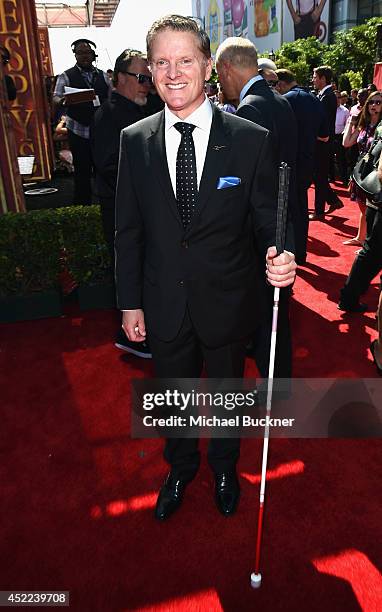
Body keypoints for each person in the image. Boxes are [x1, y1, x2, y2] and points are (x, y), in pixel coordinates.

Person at [115, 15, 296, 521]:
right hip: (162, 300)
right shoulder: (135, 140)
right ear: (150, 70)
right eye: (162, 62)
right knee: (171, 396)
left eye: (185, 60)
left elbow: (267, 222)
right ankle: (179, 467)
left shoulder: (249, 138)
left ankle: (223, 466)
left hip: (228, 299)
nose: (174, 73)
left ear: (207, 66)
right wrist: (129, 301)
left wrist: (282, 255)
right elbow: (127, 230)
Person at [215, 37, 297, 384]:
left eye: (218, 73)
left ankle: (275, 385)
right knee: (276, 310)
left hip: (259, 230)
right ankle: (281, 379)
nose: (219, 82)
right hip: (282, 220)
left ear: (228, 68)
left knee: (264, 313)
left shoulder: (249, 109)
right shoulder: (280, 101)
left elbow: (241, 182)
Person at [91, 49, 153, 359]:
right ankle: (132, 335)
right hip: (120, 212)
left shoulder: (141, 110)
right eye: (141, 78)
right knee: (131, 270)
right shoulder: (109, 115)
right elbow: (109, 166)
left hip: (141, 211)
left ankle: (143, 332)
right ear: (118, 78)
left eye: (148, 78)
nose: (146, 84)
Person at [275, 68, 329, 263]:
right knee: (302, 207)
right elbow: (324, 135)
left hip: (285, 163)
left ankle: (286, 253)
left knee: (284, 210)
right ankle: (301, 253)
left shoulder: (284, 100)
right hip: (308, 162)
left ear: (281, 84)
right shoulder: (315, 100)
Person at [53, 39, 112, 205]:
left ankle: (106, 205)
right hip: (78, 130)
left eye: (87, 53)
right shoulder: (66, 75)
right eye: (80, 53)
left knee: (104, 170)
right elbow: (55, 97)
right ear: (75, 55)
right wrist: (63, 101)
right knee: (82, 172)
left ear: (93, 55)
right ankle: (82, 207)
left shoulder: (102, 76)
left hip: (99, 130)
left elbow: (111, 96)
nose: (84, 56)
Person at [338, 120, 382, 313]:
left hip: (376, 199)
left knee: (371, 252)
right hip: (379, 200)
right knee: (372, 253)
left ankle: (349, 296)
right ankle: (349, 297)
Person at [342, 90, 382, 247]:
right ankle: (361, 238)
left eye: (378, 102)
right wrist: (351, 123)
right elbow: (346, 143)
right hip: (361, 171)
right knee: (363, 207)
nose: (374, 105)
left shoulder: (380, 127)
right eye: (371, 102)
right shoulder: (364, 124)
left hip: (376, 172)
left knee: (372, 210)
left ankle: (370, 244)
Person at [310, 65, 343, 221]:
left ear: (323, 79)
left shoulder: (328, 96)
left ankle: (319, 211)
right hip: (322, 142)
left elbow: (324, 121)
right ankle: (333, 201)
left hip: (323, 142)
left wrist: (321, 136)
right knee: (318, 177)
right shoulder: (325, 95)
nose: (313, 80)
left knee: (319, 177)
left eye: (315, 77)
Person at [333, 90, 350, 184]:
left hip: (340, 137)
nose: (337, 99)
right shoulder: (327, 108)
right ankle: (331, 178)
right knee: (328, 159)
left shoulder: (345, 111)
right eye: (335, 97)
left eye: (339, 97)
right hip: (329, 136)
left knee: (341, 159)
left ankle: (344, 178)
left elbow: (347, 125)